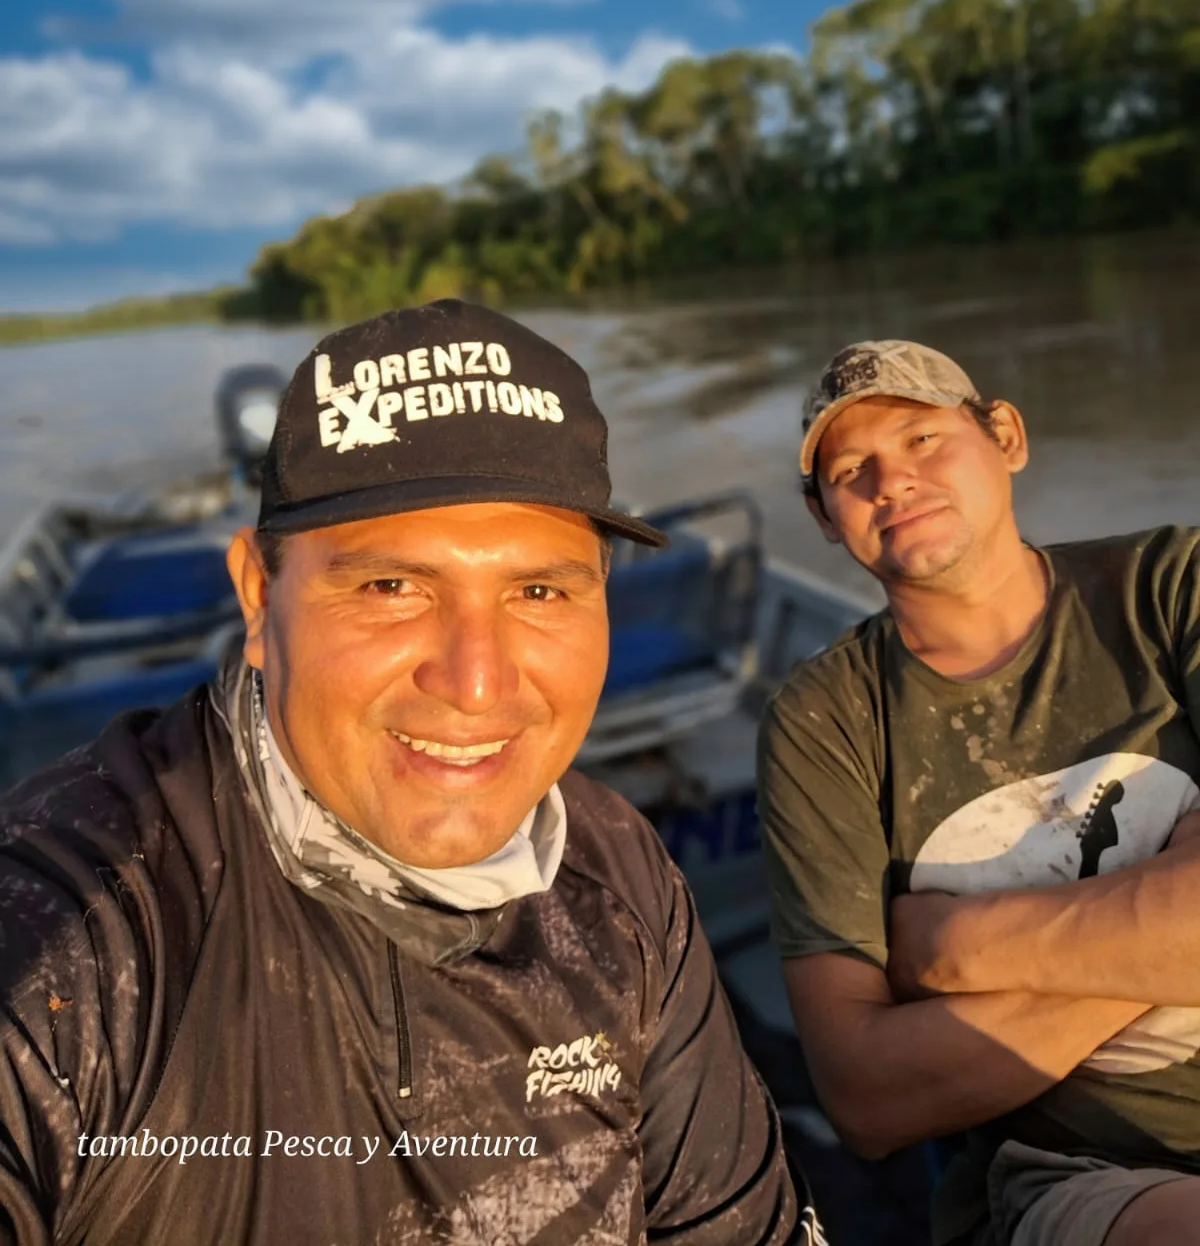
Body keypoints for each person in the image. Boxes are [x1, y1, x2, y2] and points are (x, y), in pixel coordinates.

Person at [0, 299, 808, 1245]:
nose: (476, 684)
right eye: (392, 586)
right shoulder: (72, 938)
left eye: (539, 590)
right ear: (260, 599)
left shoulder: (619, 872)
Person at [756, 338, 1200, 1246]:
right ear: (822, 515)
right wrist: (1163, 937)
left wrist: (950, 950)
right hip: (1082, 1174)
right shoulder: (825, 723)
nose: (892, 480)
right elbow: (866, 1096)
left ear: (1005, 435)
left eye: (923, 439)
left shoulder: (1171, 590)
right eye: (853, 469)